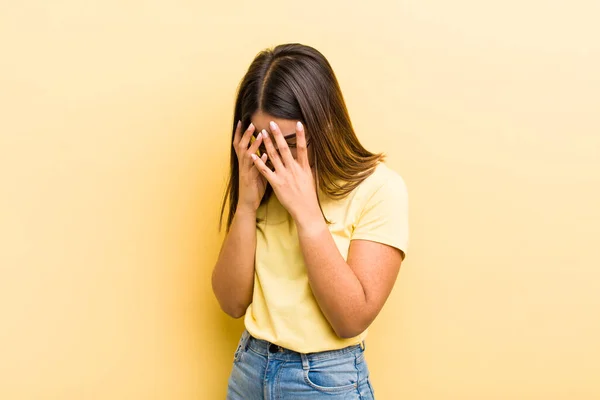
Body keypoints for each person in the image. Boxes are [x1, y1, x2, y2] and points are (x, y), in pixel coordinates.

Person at [212, 43, 409, 399]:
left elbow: (350, 319)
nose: (275, 156)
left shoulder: (381, 189)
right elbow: (231, 303)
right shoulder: (260, 185)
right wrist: (246, 206)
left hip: (324, 380)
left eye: (288, 141)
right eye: (262, 142)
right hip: (249, 368)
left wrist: (306, 213)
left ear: (325, 121)